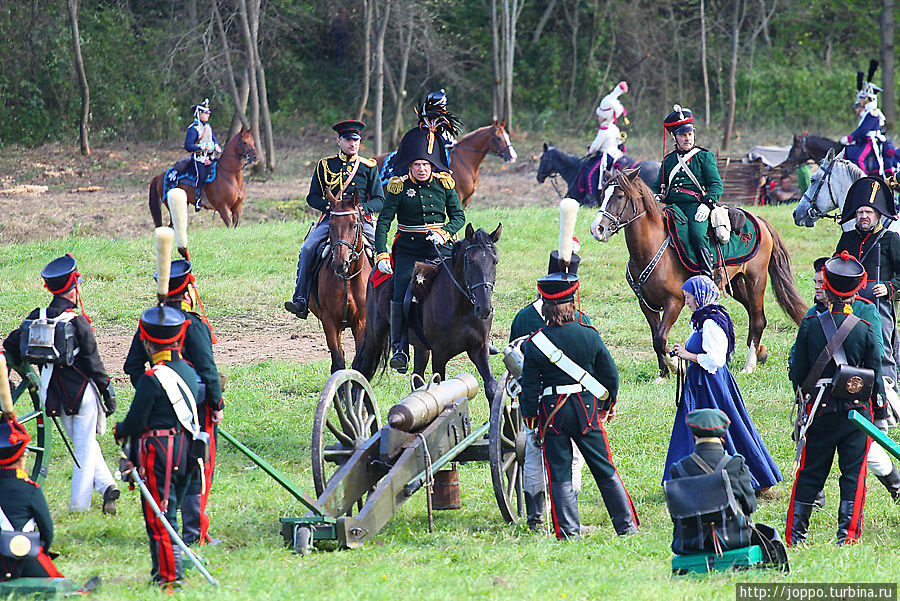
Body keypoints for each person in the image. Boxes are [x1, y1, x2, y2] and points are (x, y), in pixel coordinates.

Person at [520, 272, 639, 539]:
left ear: (546, 305)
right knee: (604, 467)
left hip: (553, 413)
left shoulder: (535, 343)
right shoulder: (589, 335)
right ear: (572, 302)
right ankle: (626, 527)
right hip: (586, 409)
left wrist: (530, 417)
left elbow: (529, 389)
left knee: (559, 473)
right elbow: (610, 375)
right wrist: (607, 404)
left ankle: (569, 533)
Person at [2, 255, 119, 514]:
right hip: (83, 395)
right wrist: (107, 395)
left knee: (83, 443)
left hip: (53, 395)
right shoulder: (77, 322)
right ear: (73, 287)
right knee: (84, 450)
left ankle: (107, 485)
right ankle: (79, 508)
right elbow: (93, 363)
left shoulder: (36, 317)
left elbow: (11, 346)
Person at [123, 259, 223, 545]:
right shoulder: (195, 325)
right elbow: (208, 372)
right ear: (188, 287)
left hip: (161, 413)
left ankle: (174, 529)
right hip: (197, 410)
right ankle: (196, 532)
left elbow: (132, 367)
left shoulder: (149, 323)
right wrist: (216, 406)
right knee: (199, 467)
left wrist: (154, 392)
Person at [787, 253, 884, 546]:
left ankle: (796, 535)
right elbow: (876, 369)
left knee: (810, 472)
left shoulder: (811, 324)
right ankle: (848, 537)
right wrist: (878, 405)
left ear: (827, 287)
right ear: (856, 290)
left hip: (820, 407)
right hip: (857, 410)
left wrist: (803, 396)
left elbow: (797, 370)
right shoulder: (866, 326)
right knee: (854, 476)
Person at [665, 275, 781, 492]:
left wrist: (687, 354)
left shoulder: (710, 322)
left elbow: (715, 360)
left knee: (722, 430)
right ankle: (691, 481)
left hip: (711, 386)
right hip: (704, 384)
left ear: (700, 297)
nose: (687, 301)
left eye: (689, 297)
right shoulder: (704, 318)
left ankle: (747, 479)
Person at [115, 305, 200, 588]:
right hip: (186, 449)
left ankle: (169, 578)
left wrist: (121, 430)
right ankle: (165, 571)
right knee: (168, 512)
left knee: (159, 516)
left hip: (161, 452)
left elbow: (135, 422)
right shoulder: (187, 371)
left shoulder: (153, 379)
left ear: (149, 342)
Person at [375, 109, 466, 373]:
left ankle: (474, 333)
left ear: (432, 165)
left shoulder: (445, 184)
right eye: (417, 165)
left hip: (442, 248)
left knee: (468, 280)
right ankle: (400, 348)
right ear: (410, 166)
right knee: (402, 291)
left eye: (426, 165)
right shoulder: (398, 186)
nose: (422, 169)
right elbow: (384, 222)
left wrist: (445, 232)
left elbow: (458, 216)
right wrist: (381, 253)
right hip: (409, 251)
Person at [509, 250, 589, 532]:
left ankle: (538, 519)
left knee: (535, 453)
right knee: (571, 457)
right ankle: (562, 520)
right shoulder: (581, 319)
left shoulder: (522, 318)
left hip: (536, 403)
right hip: (573, 403)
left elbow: (514, 361)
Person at [285, 120, 383, 319]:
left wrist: (364, 208)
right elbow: (312, 197)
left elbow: (380, 199)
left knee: (385, 252)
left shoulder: (368, 166)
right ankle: (301, 298)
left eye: (355, 140)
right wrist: (328, 207)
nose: (352, 144)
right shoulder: (325, 165)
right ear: (339, 141)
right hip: (333, 219)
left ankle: (389, 300)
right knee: (308, 249)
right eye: (348, 140)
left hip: (359, 221)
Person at [835, 177, 900, 422]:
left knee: (882, 353)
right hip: (849, 305)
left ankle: (889, 406)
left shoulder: (890, 239)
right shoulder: (848, 239)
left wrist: (890, 287)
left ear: (878, 215)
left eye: (868, 212)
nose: (863, 216)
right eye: (860, 211)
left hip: (878, 306)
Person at [666, 408, 756, 554]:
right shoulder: (736, 465)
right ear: (724, 434)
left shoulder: (679, 469)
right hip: (734, 540)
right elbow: (750, 506)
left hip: (690, 545)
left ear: (693, 434)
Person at [650, 105, 724, 280]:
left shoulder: (703, 156)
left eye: (690, 134)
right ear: (675, 137)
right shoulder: (669, 160)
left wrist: (707, 205)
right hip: (671, 207)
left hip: (695, 207)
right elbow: (655, 186)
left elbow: (716, 185)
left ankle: (706, 276)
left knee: (698, 234)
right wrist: (654, 196)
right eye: (683, 135)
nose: (687, 138)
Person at [0, 415, 61, 581]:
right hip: (24, 560)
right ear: (21, 460)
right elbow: (47, 531)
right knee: (59, 585)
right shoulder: (29, 489)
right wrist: (42, 551)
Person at [842, 62, 887, 176]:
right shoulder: (868, 112)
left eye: (863, 99)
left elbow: (863, 129)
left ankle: (863, 179)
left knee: (860, 158)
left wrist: (850, 137)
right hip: (866, 140)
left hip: (871, 141)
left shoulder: (873, 112)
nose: (861, 101)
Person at [184, 99, 221, 211]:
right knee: (202, 175)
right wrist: (203, 147)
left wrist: (216, 146)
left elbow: (213, 140)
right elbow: (188, 146)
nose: (208, 115)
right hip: (199, 158)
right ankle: (198, 199)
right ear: (199, 114)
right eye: (205, 113)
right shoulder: (193, 129)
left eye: (208, 113)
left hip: (210, 157)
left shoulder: (208, 127)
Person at [588, 81, 628, 167]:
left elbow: (596, 146)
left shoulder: (604, 130)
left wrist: (589, 152)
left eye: (600, 116)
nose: (598, 117)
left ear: (605, 116)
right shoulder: (615, 128)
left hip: (607, 158)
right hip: (617, 156)